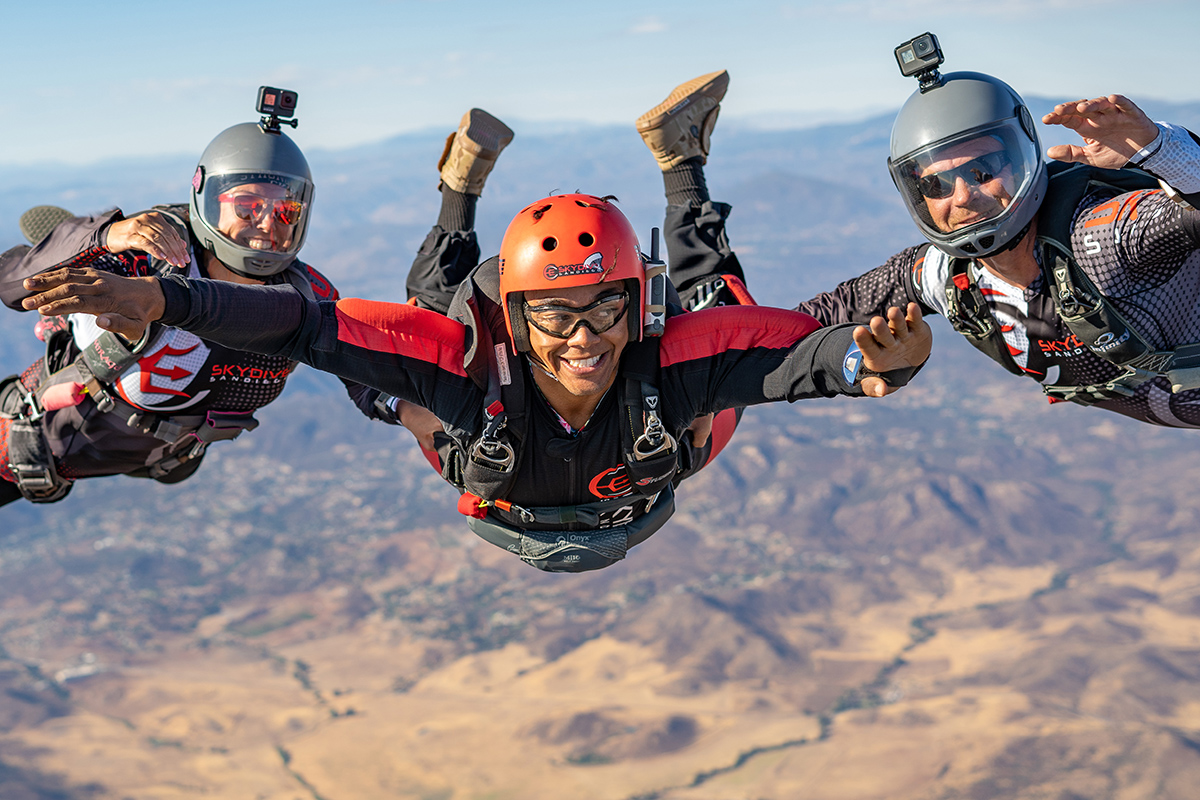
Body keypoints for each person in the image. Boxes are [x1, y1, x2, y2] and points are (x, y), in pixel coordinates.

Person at [19, 75, 933, 573]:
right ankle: (674, 164)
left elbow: (804, 359)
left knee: (721, 323)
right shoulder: (479, 367)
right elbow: (303, 328)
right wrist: (161, 297)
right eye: (556, 314)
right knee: (436, 336)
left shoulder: (668, 364)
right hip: (587, 448)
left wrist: (871, 363)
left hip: (548, 454)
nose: (584, 337)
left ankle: (470, 185)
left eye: (606, 308)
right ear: (516, 314)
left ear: (635, 303)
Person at [791, 34, 1200, 427]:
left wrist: (1162, 150)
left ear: (1023, 159)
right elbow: (806, 325)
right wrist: (848, 365)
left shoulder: (1105, 237)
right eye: (936, 185)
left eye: (982, 170)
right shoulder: (945, 276)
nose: (962, 196)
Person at [0, 89, 348, 507]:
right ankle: (73, 261)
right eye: (246, 206)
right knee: (92, 295)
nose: (266, 224)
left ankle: (76, 262)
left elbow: (364, 366)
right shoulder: (146, 261)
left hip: (163, 456)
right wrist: (105, 236)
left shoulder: (311, 297)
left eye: (286, 210)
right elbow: (11, 282)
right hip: (36, 445)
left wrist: (404, 405)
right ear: (209, 199)